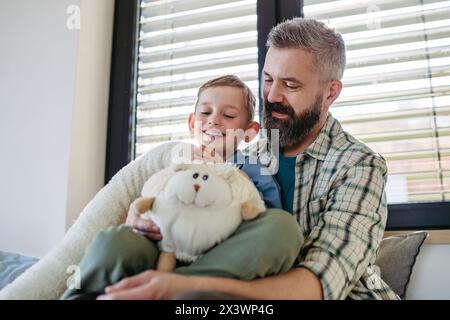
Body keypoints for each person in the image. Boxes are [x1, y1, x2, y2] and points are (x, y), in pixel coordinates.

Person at [69, 17, 399, 300]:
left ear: (330, 93)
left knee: (279, 228)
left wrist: (180, 286)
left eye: (290, 85)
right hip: (219, 291)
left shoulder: (358, 165)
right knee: (122, 243)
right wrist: (148, 216)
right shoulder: (234, 155)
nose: (271, 96)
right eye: (268, 80)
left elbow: (318, 285)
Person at [60, 75, 294, 300]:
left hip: (218, 256)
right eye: (205, 112)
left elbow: (265, 221)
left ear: (250, 131)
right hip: (164, 246)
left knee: (281, 228)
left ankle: (170, 287)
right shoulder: (177, 161)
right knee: (114, 242)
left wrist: (240, 180)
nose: (213, 120)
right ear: (192, 123)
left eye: (229, 115)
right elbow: (151, 195)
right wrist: (137, 215)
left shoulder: (255, 171)